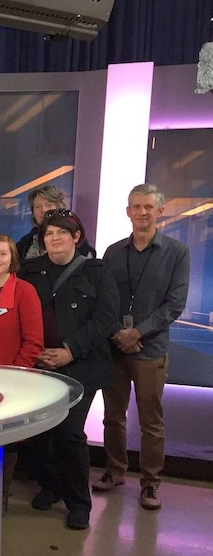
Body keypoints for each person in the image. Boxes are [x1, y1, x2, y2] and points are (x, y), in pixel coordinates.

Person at [18, 209, 119, 530]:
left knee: (69, 432)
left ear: (76, 237)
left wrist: (69, 351)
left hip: (83, 365)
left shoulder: (97, 272)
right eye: (49, 234)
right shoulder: (30, 271)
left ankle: (79, 503)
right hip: (39, 363)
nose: (55, 238)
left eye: (62, 232)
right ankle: (53, 485)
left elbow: (105, 319)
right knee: (38, 432)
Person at [94, 184, 190, 511]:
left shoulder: (177, 252)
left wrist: (138, 332)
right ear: (128, 211)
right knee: (112, 417)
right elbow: (103, 301)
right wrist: (118, 334)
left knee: (151, 422)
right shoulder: (113, 252)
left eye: (149, 206)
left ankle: (150, 484)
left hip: (150, 350)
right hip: (115, 349)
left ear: (160, 211)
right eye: (137, 206)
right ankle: (114, 470)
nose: (143, 212)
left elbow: (174, 305)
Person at [0, 234, 44, 511]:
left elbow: (34, 341)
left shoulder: (24, 291)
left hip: (12, 378)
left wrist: (14, 374)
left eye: (3, 254)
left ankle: (1, 496)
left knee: (9, 438)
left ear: (12, 258)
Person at [15, 185, 95, 261]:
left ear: (59, 208)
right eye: (38, 207)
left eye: (49, 205)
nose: (43, 210)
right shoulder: (25, 243)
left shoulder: (75, 239)